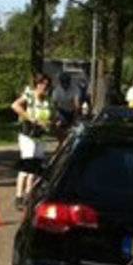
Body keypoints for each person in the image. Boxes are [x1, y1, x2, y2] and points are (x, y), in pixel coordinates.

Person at [11, 73, 53, 206]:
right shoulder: (29, 95)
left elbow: (50, 116)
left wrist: (50, 123)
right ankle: (19, 196)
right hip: (27, 135)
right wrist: (30, 117)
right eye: (42, 84)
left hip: (40, 136)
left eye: (47, 85)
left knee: (35, 168)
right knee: (27, 166)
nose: (44, 87)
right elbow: (15, 106)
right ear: (37, 84)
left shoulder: (47, 100)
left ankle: (29, 196)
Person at [50, 71, 82, 140]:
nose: (65, 85)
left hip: (73, 110)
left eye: (67, 82)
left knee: (74, 127)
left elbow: (77, 104)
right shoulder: (56, 91)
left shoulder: (75, 89)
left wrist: (75, 118)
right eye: (63, 83)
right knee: (59, 125)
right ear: (60, 82)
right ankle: (61, 140)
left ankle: (70, 140)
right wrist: (55, 117)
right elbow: (54, 105)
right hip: (61, 111)